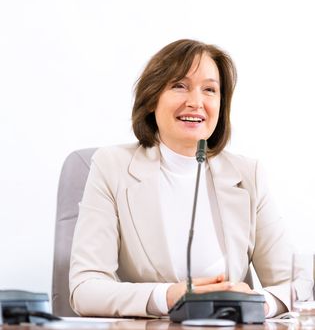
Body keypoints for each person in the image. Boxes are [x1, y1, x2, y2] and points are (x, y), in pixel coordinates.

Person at [69, 39, 292, 318]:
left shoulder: (248, 175)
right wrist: (167, 296)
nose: (195, 102)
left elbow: (295, 285)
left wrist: (255, 302)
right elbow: (85, 289)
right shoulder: (111, 167)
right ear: (152, 98)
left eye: (210, 90)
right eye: (179, 86)